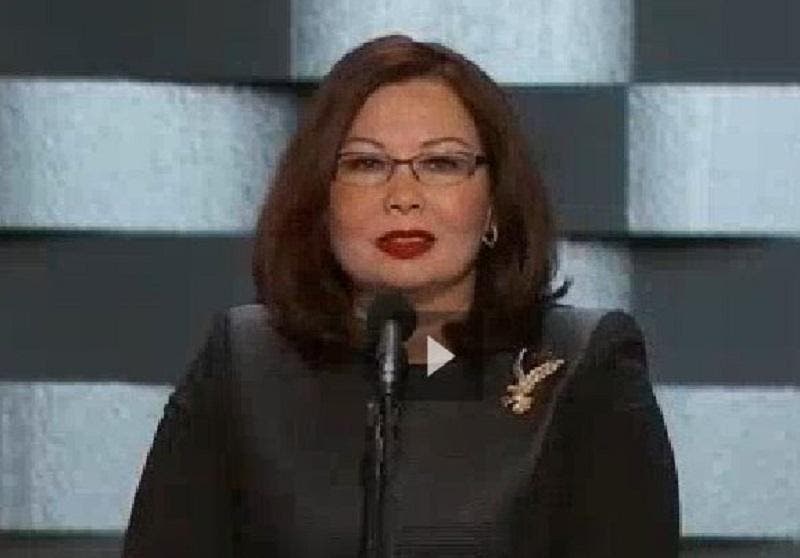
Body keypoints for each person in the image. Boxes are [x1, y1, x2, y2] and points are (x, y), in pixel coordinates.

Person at [122, 34, 679, 557]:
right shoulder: (245, 363)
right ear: (321, 199)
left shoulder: (581, 365)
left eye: (441, 164)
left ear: (493, 202)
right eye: (367, 164)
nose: (403, 196)